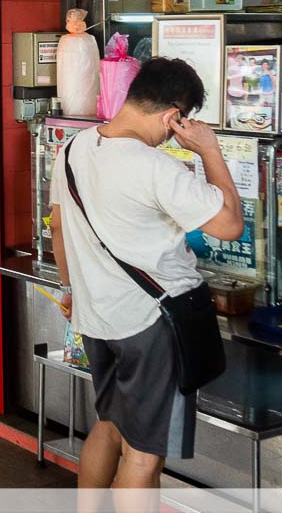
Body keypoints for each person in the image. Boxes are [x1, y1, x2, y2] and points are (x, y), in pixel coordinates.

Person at [50, 57, 243, 489]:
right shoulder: (156, 167)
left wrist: (69, 288)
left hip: (97, 320)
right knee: (144, 460)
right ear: (173, 115)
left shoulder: (72, 149)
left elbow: (58, 226)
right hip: (153, 325)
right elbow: (230, 224)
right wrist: (210, 149)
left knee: (108, 427)